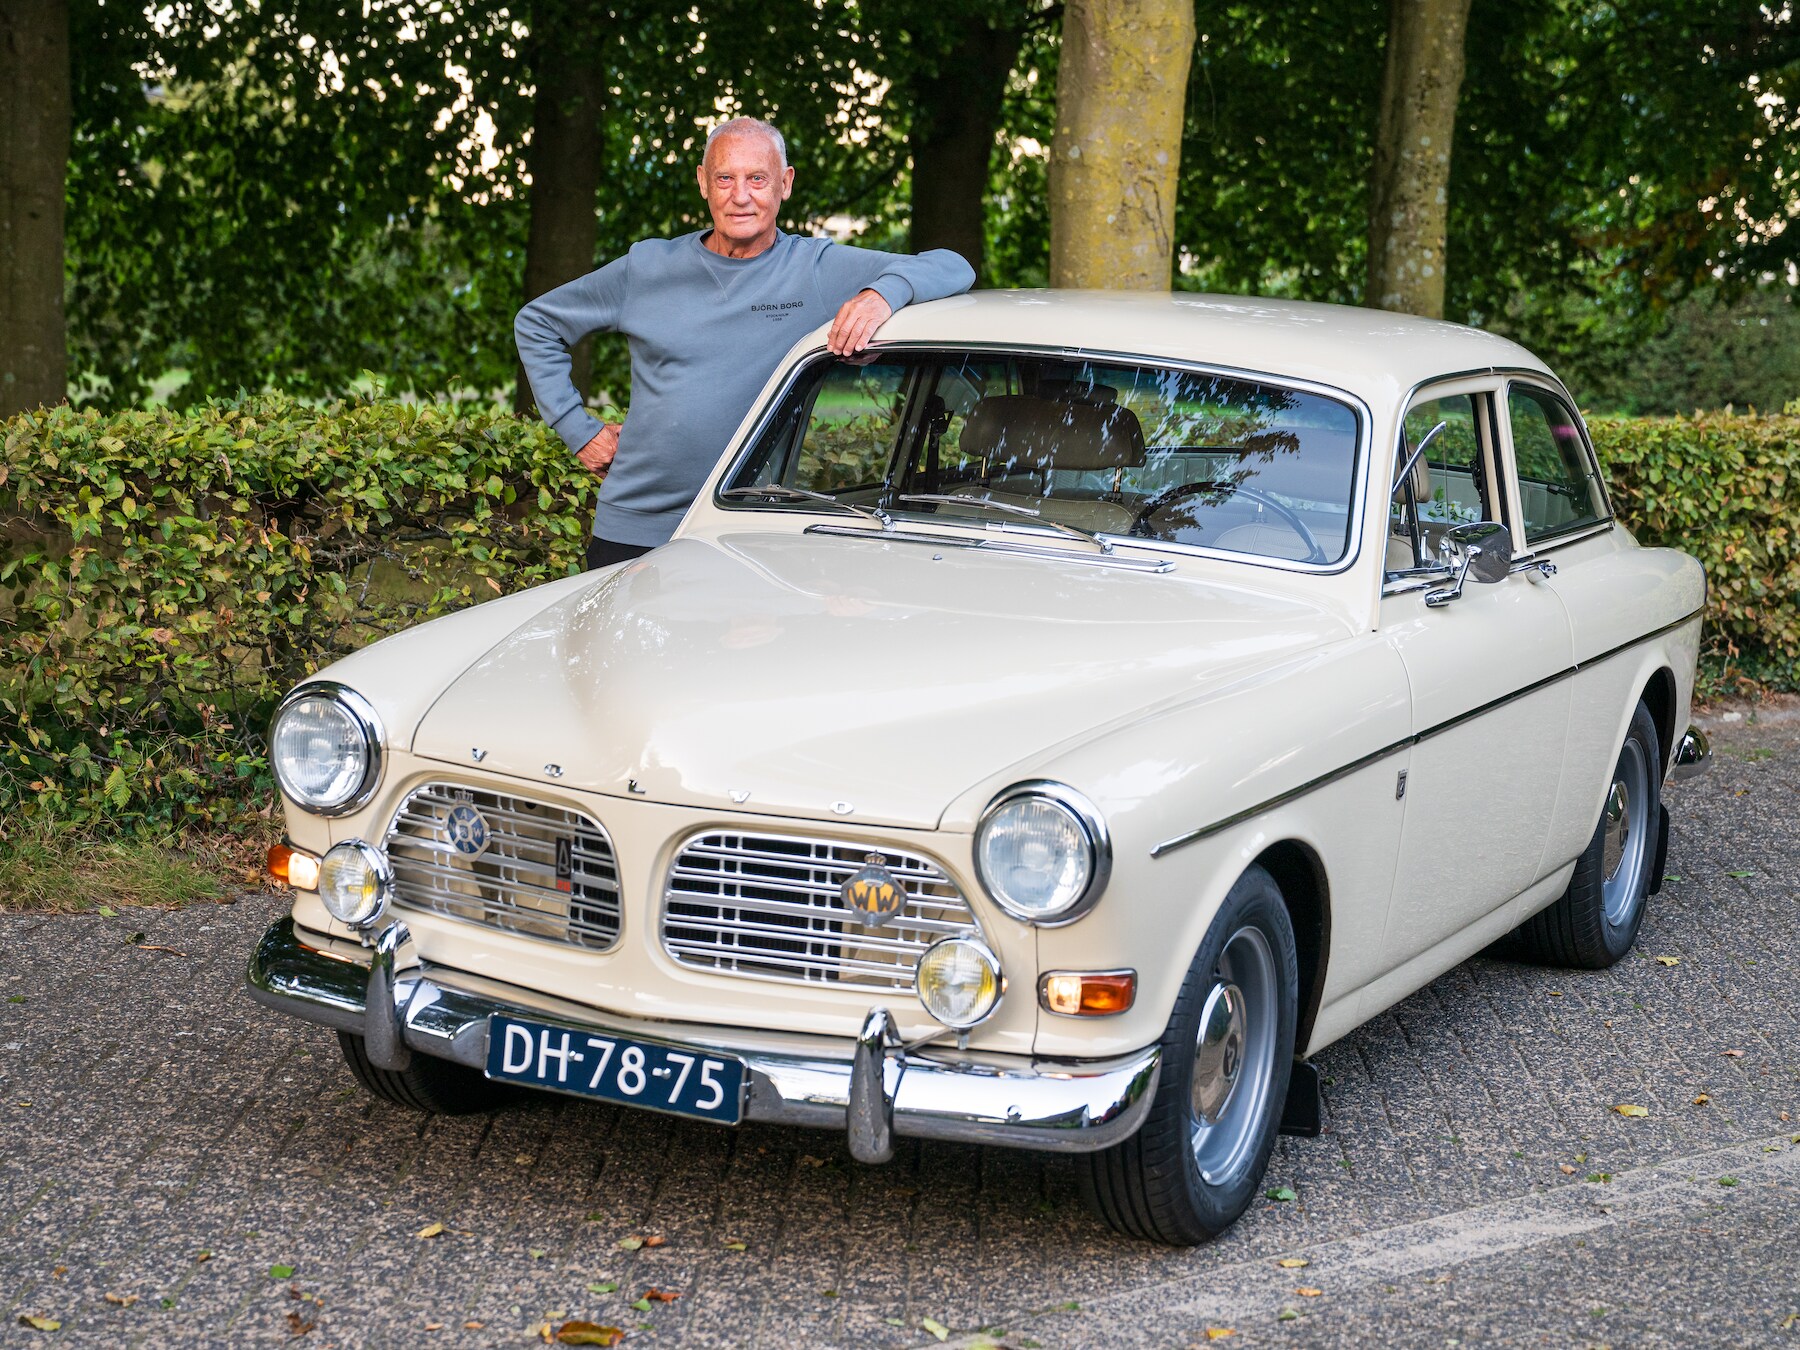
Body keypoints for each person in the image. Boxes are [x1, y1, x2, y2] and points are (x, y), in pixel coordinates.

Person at [515, 116, 977, 570]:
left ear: (785, 183)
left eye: (757, 178)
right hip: (633, 528)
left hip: (747, 527)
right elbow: (537, 323)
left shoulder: (813, 269)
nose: (740, 196)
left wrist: (881, 295)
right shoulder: (648, 267)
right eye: (725, 178)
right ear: (703, 182)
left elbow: (953, 265)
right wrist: (577, 430)